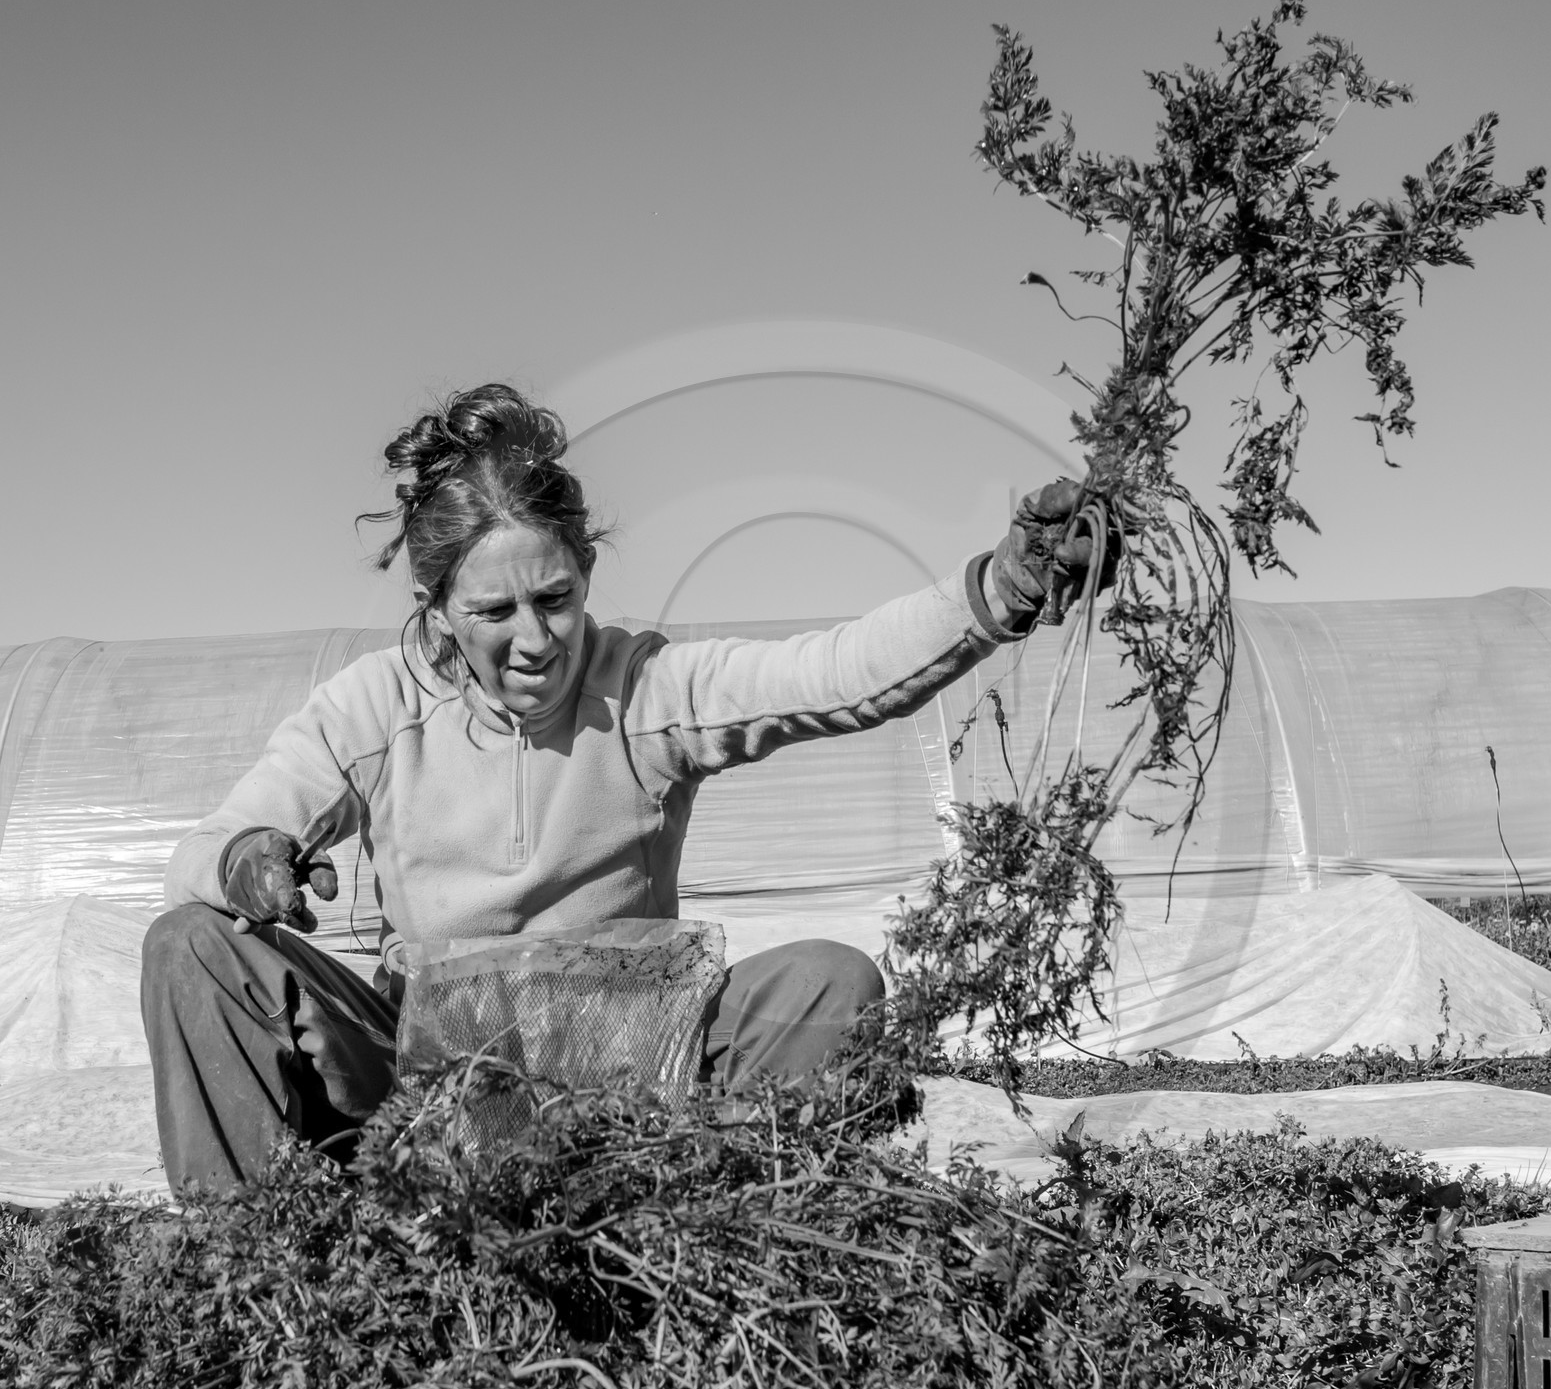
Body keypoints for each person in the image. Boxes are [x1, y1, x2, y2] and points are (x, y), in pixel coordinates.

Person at [141, 383, 1111, 1190]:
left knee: (834, 987)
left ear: (586, 572)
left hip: (633, 1073)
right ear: (435, 610)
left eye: (554, 598)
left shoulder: (643, 691)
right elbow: (210, 851)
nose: (532, 638)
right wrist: (246, 861)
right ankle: (260, 1261)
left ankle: (676, 1191)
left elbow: (833, 677)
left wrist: (996, 590)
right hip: (421, 1083)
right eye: (492, 610)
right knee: (190, 947)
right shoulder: (372, 709)